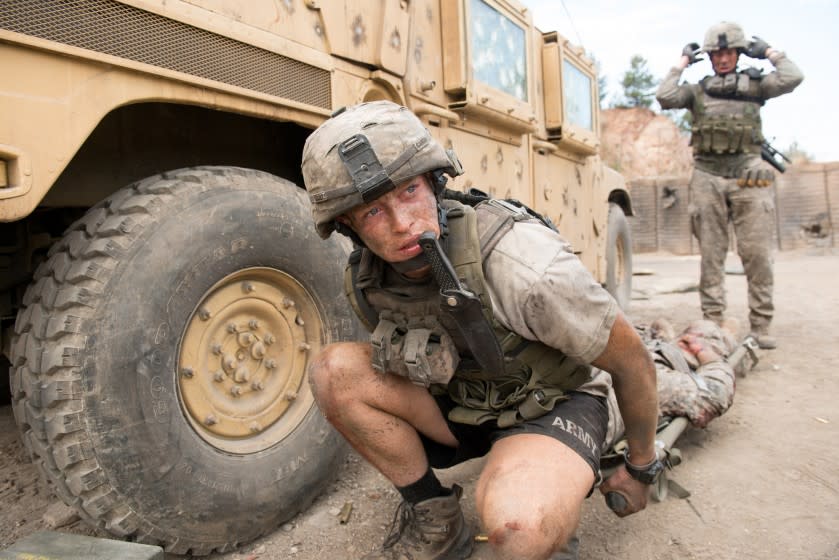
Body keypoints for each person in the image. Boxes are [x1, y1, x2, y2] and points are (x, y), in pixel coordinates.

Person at [300, 100, 661, 560]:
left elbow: (631, 363)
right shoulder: (368, 278)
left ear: (434, 182)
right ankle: (435, 517)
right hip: (464, 406)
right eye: (371, 213)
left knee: (519, 530)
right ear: (348, 225)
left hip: (550, 406)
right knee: (334, 371)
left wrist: (641, 464)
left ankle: (534, 481)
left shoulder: (522, 264)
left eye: (409, 191)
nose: (401, 223)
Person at [655, 22, 804, 350]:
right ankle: (712, 322)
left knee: (757, 254)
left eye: (728, 52)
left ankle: (761, 326)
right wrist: (682, 62)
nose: (722, 58)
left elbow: (793, 76)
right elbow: (664, 96)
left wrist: (768, 53)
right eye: (716, 53)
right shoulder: (697, 91)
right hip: (707, 176)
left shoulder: (755, 86)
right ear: (709, 57)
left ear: (738, 53)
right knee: (711, 254)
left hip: (748, 174)